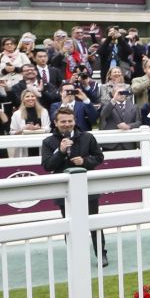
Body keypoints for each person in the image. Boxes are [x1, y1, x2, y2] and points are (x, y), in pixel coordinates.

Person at [41, 106, 108, 266]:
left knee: (94, 223)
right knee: (69, 225)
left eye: (70, 121)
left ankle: (101, 254)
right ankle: (75, 256)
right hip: (64, 190)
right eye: (63, 121)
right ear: (56, 123)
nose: (67, 124)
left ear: (74, 121)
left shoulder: (87, 137)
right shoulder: (48, 142)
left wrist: (84, 161)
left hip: (87, 187)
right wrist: (61, 151)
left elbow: (99, 157)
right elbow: (47, 165)